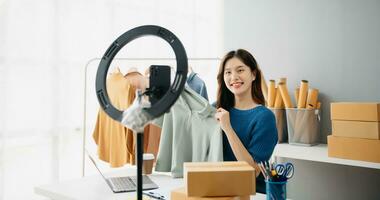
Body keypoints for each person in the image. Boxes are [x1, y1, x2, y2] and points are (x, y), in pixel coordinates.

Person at [214, 49, 278, 193]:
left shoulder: (264, 117)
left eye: (240, 70)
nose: (234, 77)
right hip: (219, 189)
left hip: (251, 193)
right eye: (228, 72)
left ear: (253, 74)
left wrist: (228, 128)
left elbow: (252, 171)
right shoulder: (216, 109)